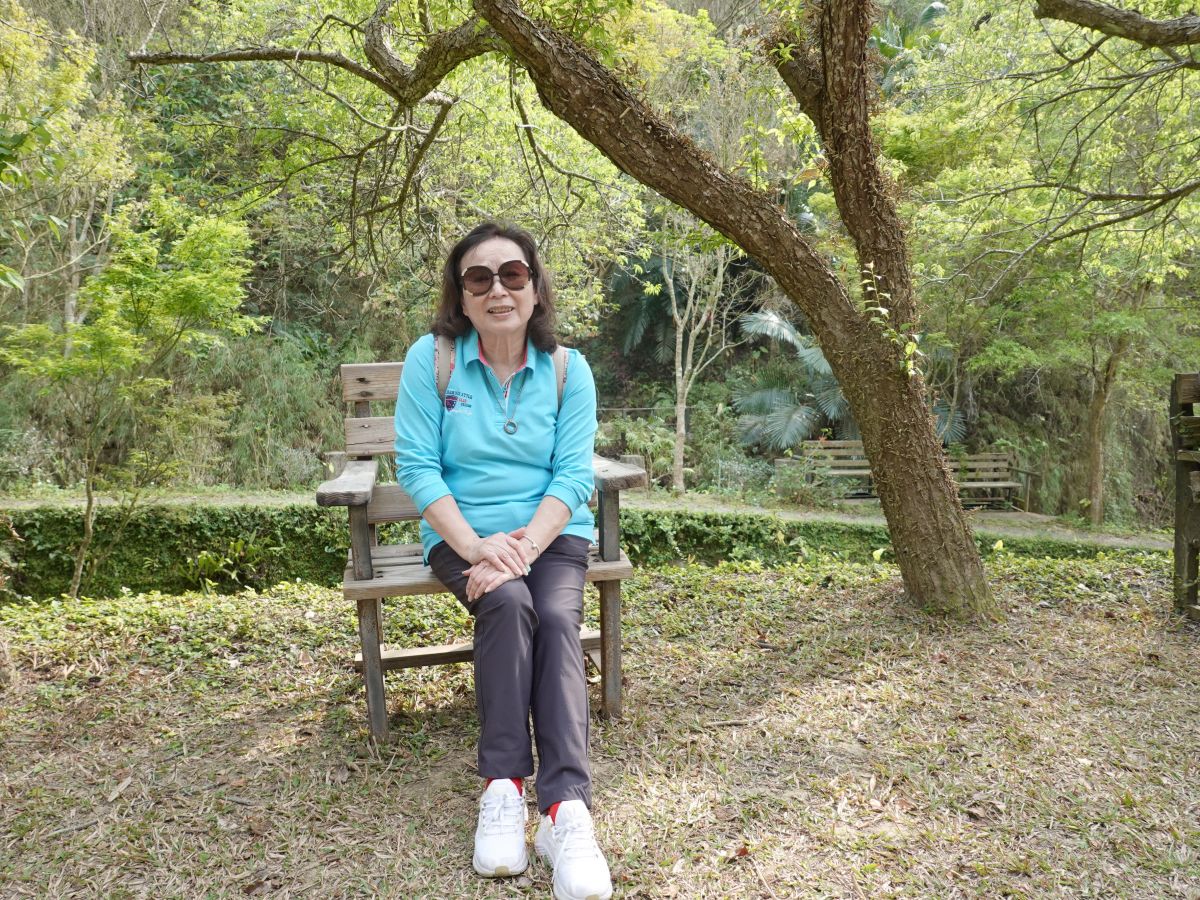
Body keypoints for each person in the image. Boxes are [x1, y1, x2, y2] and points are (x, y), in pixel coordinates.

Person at [394, 222, 613, 900]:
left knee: (555, 616)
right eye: (479, 278)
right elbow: (417, 466)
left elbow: (573, 474)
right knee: (507, 601)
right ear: (460, 296)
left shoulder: (568, 370)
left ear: (535, 287)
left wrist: (521, 547)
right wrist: (476, 547)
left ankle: (565, 812)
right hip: (463, 536)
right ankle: (502, 789)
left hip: (550, 534)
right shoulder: (432, 360)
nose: (498, 290)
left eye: (512, 275)